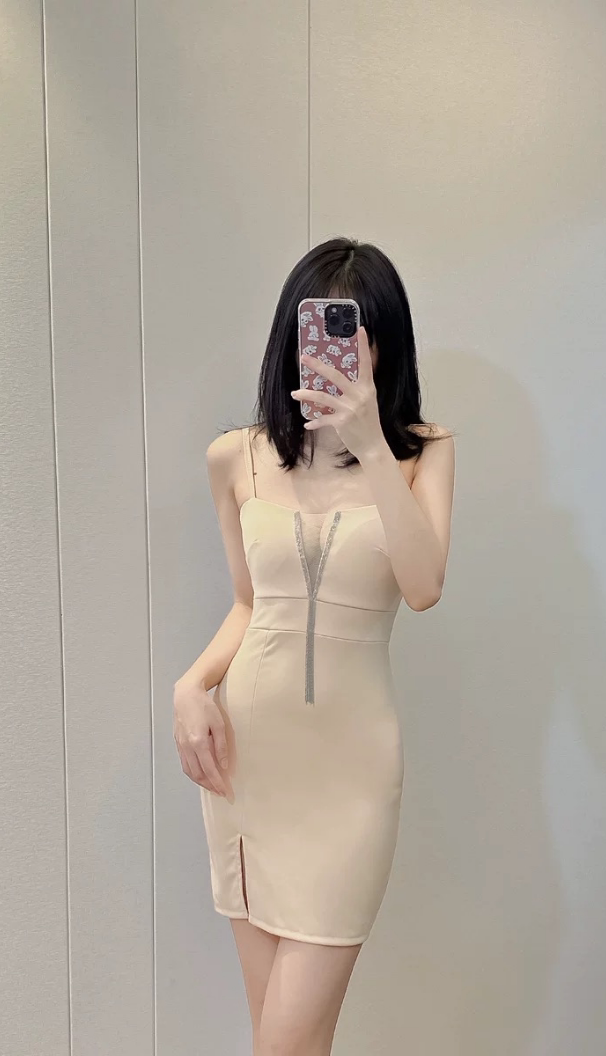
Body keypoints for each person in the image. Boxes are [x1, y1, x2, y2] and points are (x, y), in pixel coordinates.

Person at [172, 237, 455, 1056]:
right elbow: (249, 605)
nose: (335, 352)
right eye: (323, 330)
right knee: (288, 1039)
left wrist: (371, 443)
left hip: (351, 780)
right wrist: (190, 686)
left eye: (356, 335)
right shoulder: (237, 456)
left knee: (284, 1046)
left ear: (384, 346)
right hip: (249, 768)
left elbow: (424, 585)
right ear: (291, 337)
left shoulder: (423, 451)